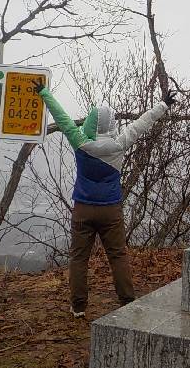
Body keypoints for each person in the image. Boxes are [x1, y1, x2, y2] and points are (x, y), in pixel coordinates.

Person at [32, 78, 176, 317]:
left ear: (90, 122)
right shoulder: (120, 143)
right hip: (110, 209)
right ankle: (127, 301)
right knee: (117, 254)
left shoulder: (79, 141)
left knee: (79, 258)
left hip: (83, 208)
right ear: (112, 124)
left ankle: (78, 307)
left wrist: (43, 92)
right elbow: (142, 123)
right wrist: (163, 105)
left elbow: (62, 118)